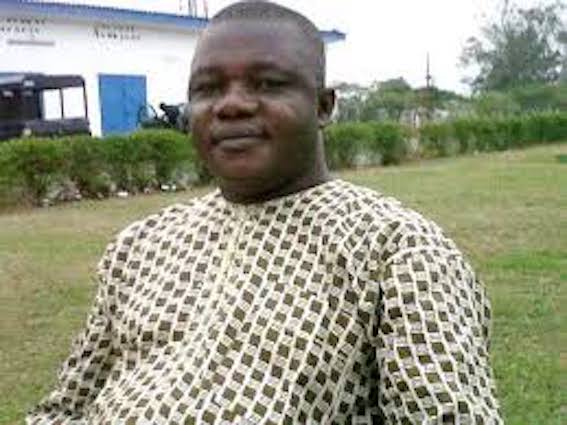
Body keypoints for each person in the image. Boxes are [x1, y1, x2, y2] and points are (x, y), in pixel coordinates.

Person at [27, 1, 503, 424]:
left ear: (323, 106)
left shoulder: (398, 251)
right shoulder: (140, 245)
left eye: (268, 84)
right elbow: (64, 408)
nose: (231, 105)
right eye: (207, 88)